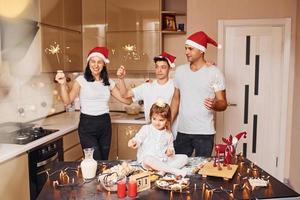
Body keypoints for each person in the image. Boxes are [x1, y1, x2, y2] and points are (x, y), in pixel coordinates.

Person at [55, 46, 132, 160]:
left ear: (104, 64)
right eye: (93, 61)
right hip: (87, 125)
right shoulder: (81, 81)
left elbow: (127, 101)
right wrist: (62, 84)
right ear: (88, 63)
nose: (96, 65)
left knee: (103, 161)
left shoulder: (108, 83)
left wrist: (121, 79)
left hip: (105, 124)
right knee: (94, 161)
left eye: (99, 62)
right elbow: (67, 101)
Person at [171, 31, 228, 157]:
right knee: (177, 169)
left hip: (204, 133)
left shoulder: (214, 73)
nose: (186, 52)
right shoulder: (180, 71)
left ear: (201, 51)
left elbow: (223, 103)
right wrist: (167, 123)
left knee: (202, 172)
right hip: (182, 131)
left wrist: (215, 104)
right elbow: (175, 99)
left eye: (190, 49)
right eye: (185, 48)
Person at [117, 52, 179, 138]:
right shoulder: (146, 87)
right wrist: (121, 79)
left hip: (169, 135)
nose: (159, 70)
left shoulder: (175, 86)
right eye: (157, 67)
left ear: (169, 69)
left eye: (163, 67)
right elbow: (125, 94)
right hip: (150, 136)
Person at [128, 99, 188, 177]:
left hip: (163, 161)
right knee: (147, 158)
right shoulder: (146, 129)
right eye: (154, 119)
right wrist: (134, 142)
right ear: (151, 117)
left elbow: (171, 147)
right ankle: (174, 171)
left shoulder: (168, 133)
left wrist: (170, 151)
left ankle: (162, 170)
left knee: (185, 158)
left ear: (167, 120)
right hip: (148, 163)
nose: (157, 122)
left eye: (161, 120)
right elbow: (138, 139)